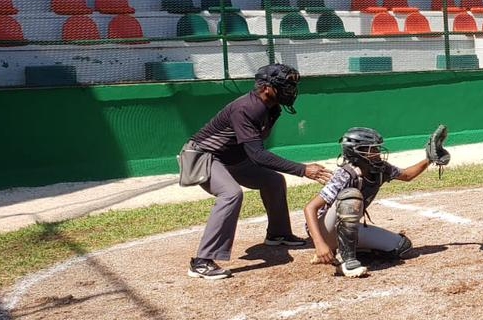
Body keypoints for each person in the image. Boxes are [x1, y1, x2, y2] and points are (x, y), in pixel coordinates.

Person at [183, 63, 330, 280]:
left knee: (273, 181)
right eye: (285, 85)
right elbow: (258, 155)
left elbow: (253, 151)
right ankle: (202, 261)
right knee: (231, 193)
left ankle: (278, 233)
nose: (291, 90)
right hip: (203, 157)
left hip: (231, 158)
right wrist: (303, 169)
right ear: (266, 88)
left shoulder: (272, 108)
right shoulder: (247, 108)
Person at [304, 126, 442, 278]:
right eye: (372, 149)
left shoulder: (380, 169)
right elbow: (310, 208)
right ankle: (347, 261)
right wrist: (319, 244)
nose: (377, 153)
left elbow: (407, 175)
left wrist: (430, 159)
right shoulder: (347, 174)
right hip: (324, 230)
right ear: (356, 152)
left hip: (347, 228)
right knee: (351, 197)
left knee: (402, 247)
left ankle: (346, 251)